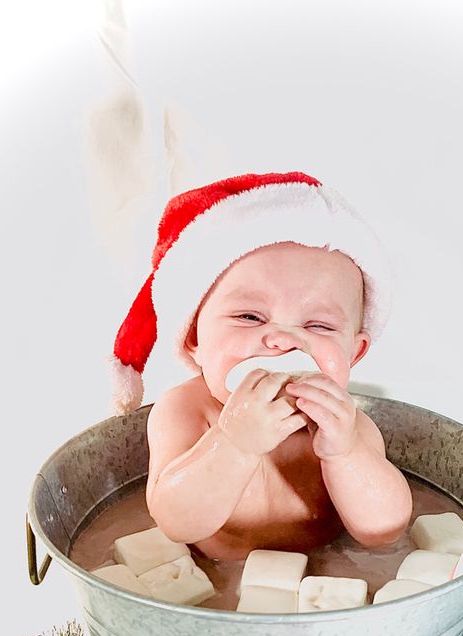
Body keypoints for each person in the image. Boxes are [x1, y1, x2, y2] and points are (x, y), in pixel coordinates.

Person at [108, 171, 412, 560]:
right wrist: (233, 442)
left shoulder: (345, 422)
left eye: (317, 325)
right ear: (194, 339)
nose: (284, 341)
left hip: (325, 586)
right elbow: (176, 522)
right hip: (211, 577)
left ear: (354, 353)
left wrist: (345, 452)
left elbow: (384, 532)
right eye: (250, 317)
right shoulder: (186, 411)